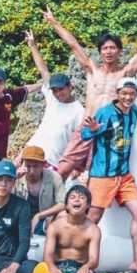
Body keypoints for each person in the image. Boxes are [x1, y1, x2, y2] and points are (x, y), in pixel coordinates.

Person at [40, 5, 137, 178]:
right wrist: (53, 22)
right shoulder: (91, 70)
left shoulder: (126, 74)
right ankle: (58, 204)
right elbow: (73, 44)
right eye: (105, 48)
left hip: (109, 129)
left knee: (98, 175)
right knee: (63, 170)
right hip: (87, 125)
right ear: (100, 52)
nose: (108, 52)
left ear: (119, 51)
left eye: (112, 48)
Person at [81, 77, 137, 273]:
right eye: (124, 93)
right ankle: (80, 262)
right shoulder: (105, 113)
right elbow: (85, 134)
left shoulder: (135, 113)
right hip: (103, 175)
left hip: (124, 175)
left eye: (132, 93)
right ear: (117, 93)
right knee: (93, 219)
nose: (128, 97)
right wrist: (91, 130)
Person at [22, 29, 85, 175]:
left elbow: (79, 142)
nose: (57, 94)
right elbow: (43, 70)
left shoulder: (79, 111)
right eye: (54, 90)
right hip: (30, 150)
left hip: (51, 161)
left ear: (70, 87)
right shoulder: (51, 98)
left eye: (61, 89)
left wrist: (76, 167)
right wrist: (32, 46)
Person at [32, 184, 109, 273]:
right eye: (72, 197)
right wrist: (53, 268)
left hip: (79, 268)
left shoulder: (93, 230)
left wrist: (86, 267)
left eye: (81, 197)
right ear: (67, 206)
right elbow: (47, 255)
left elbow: (94, 259)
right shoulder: (55, 226)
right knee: (46, 271)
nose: (77, 199)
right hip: (59, 266)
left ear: (88, 205)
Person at [15, 144, 66, 237]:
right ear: (23, 163)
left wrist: (38, 216)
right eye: (28, 166)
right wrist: (13, 180)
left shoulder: (54, 177)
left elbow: (62, 203)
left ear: (44, 164)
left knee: (64, 215)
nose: (32, 171)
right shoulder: (15, 177)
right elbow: (1, 199)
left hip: (45, 219)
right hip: (20, 220)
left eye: (36, 166)